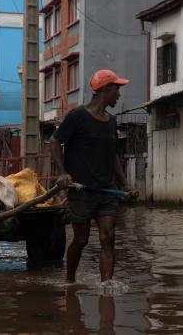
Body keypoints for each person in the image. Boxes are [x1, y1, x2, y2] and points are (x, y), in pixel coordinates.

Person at [51, 69, 135, 283]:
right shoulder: (77, 116)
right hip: (81, 191)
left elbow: (113, 155)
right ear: (105, 90)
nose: (119, 94)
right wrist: (62, 172)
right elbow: (55, 141)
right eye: (117, 89)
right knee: (81, 240)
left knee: (109, 238)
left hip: (106, 192)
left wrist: (124, 184)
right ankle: (69, 282)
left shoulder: (111, 121)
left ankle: (106, 287)